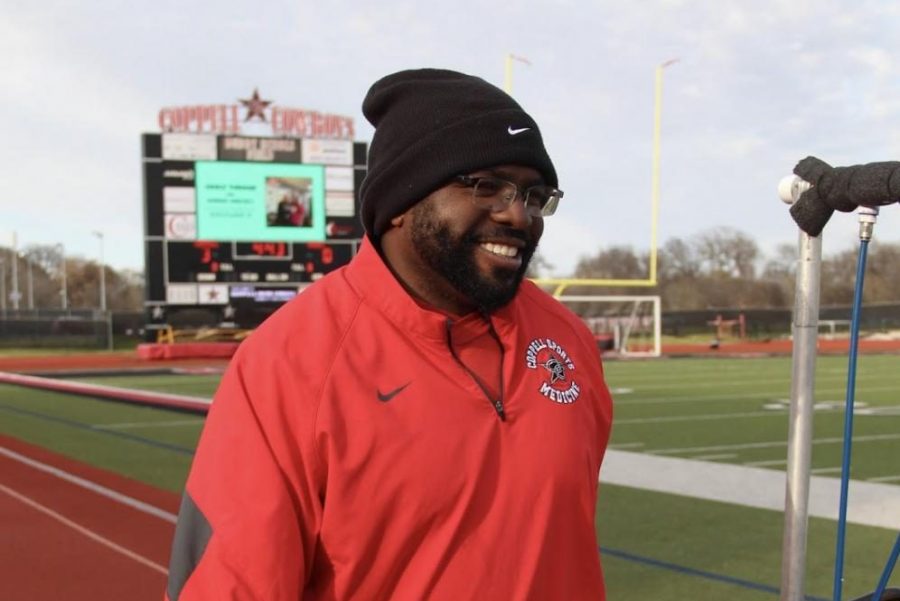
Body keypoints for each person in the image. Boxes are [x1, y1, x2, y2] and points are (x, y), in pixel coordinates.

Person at [165, 68, 613, 601]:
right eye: (486, 186)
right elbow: (229, 587)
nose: (519, 214)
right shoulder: (289, 361)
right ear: (402, 200)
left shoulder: (569, 341)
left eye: (535, 194)